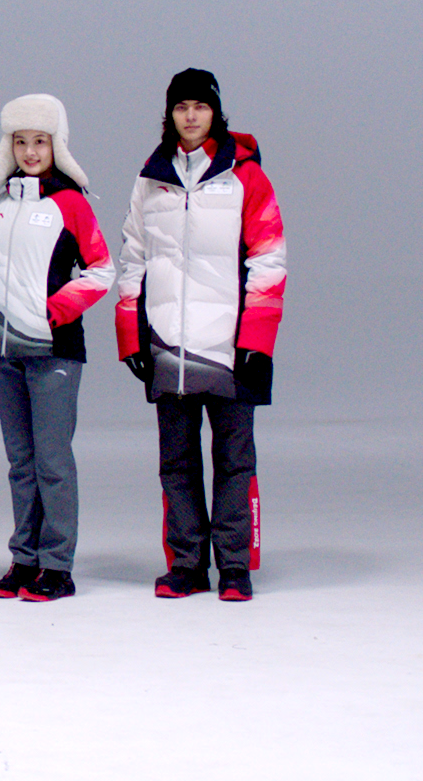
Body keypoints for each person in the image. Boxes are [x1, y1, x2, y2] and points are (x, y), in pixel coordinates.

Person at [114, 68, 286, 602]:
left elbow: (269, 258)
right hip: (169, 345)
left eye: (200, 106)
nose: (191, 116)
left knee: (235, 461)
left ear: (216, 113)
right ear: (169, 115)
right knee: (176, 463)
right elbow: (132, 257)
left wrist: (257, 340)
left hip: (231, 349)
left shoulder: (246, 177)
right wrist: (131, 336)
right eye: (181, 107)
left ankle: (234, 566)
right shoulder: (151, 179)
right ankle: (187, 564)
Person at [0, 94, 113, 603]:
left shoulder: (71, 203)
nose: (30, 151)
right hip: (4, 351)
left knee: (52, 462)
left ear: (57, 145)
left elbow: (102, 269)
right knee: (20, 463)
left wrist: (58, 309)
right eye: (20, 141)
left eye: (40, 141)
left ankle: (57, 566)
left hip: (54, 352)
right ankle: (24, 559)